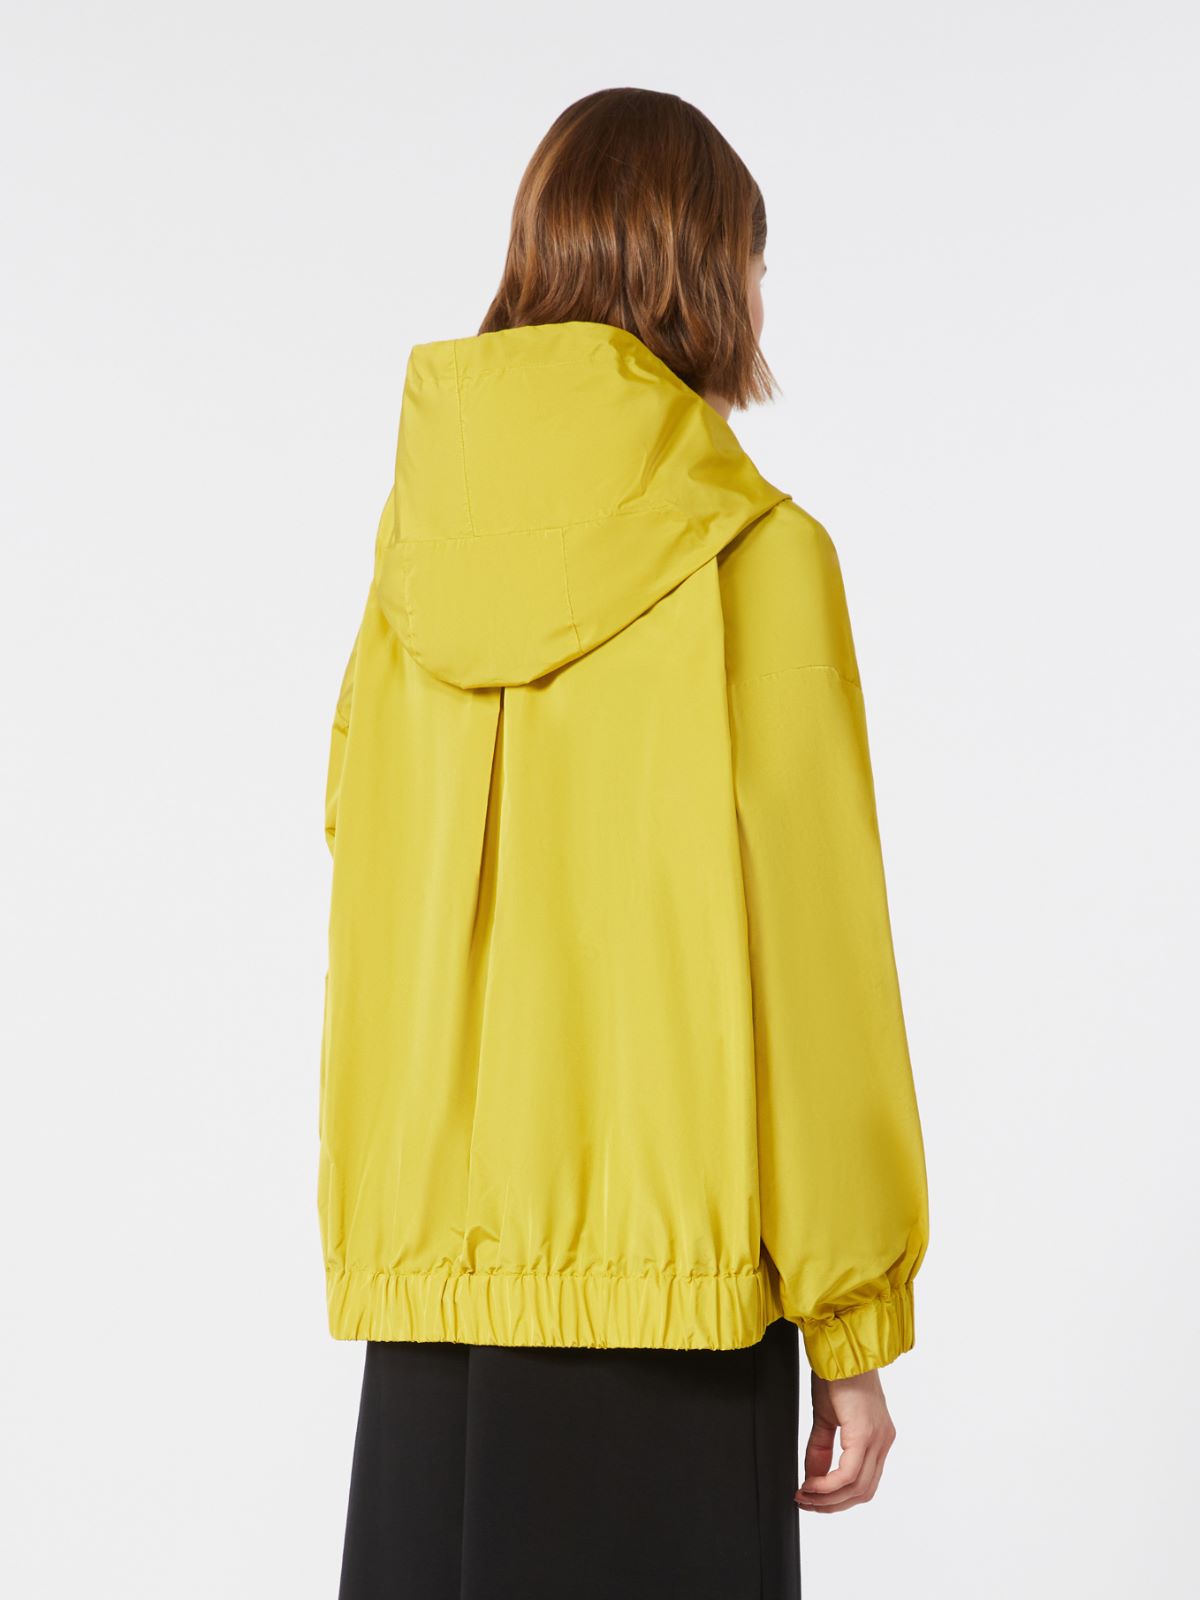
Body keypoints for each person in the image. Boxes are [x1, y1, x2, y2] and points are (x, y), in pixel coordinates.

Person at [319, 86, 930, 1600]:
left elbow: (362, 868)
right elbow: (816, 966)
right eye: (758, 266)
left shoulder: (409, 570)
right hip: (671, 1328)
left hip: (434, 1320)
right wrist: (852, 1321)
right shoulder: (755, 561)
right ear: (708, 271)